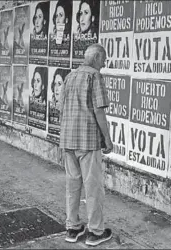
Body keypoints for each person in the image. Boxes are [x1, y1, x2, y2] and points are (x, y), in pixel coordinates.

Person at [59, 44, 113, 246]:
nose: (105, 63)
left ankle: (72, 228)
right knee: (93, 187)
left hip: (68, 140)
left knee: (72, 185)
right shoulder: (94, 76)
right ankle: (96, 232)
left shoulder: (70, 76)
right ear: (97, 57)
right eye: (104, 59)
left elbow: (60, 107)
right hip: (88, 141)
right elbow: (99, 111)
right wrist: (107, 139)